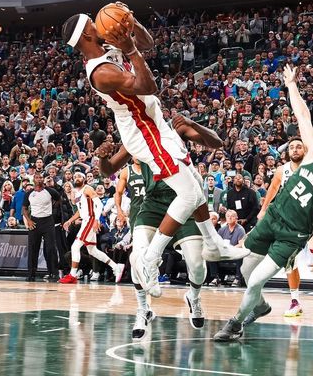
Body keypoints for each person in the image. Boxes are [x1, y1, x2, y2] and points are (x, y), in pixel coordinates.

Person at [62, 10, 247, 296]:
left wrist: (130, 24)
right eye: (92, 23)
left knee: (197, 185)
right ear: (87, 34)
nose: (99, 23)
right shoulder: (101, 72)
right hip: (143, 131)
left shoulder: (107, 45)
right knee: (188, 195)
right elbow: (149, 86)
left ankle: (212, 244)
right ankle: (149, 260)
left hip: (154, 122)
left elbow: (147, 45)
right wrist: (130, 48)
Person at [213, 65, 313, 342]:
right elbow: (303, 116)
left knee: (258, 279)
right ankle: (260, 306)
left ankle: (235, 323)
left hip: (291, 236)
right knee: (246, 269)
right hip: (271, 219)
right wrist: (291, 84)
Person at [99, 114, 221, 340]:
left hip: (183, 199)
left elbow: (216, 143)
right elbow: (107, 171)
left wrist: (193, 123)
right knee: (138, 256)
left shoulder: (176, 131)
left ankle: (193, 297)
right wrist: (103, 158)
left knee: (196, 263)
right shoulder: (134, 140)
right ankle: (143, 309)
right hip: (153, 204)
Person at [258, 137, 313, 316]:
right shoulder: (281, 170)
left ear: (305, 150)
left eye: (298, 147)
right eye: (291, 147)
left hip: (312, 221)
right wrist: (263, 209)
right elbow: (272, 189)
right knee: (289, 263)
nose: (294, 150)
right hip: (289, 223)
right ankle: (295, 300)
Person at [58, 172, 125, 284]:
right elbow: (80, 211)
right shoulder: (78, 193)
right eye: (75, 177)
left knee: (75, 246)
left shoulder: (87, 188)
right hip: (85, 220)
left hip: (90, 220)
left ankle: (72, 275)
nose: (76, 178)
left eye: (79, 176)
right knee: (93, 251)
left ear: (84, 179)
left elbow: (99, 204)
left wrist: (96, 220)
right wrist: (70, 221)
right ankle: (116, 267)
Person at [22, 173, 60, 282]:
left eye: (41, 178)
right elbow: (24, 208)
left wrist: (53, 208)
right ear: (33, 180)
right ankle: (31, 274)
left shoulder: (50, 191)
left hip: (48, 221)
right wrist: (29, 221)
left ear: (43, 179)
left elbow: (59, 199)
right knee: (33, 249)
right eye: (37, 178)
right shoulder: (29, 193)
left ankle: (53, 273)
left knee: (50, 248)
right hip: (34, 221)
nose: (39, 179)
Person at [207, 210, 246, 287]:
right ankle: (215, 278)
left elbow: (241, 244)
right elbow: (217, 242)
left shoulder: (240, 229)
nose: (230, 218)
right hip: (224, 252)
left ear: (236, 218)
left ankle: (238, 278)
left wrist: (231, 249)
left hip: (234, 252)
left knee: (240, 256)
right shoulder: (222, 229)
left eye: (232, 216)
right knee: (211, 254)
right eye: (228, 216)